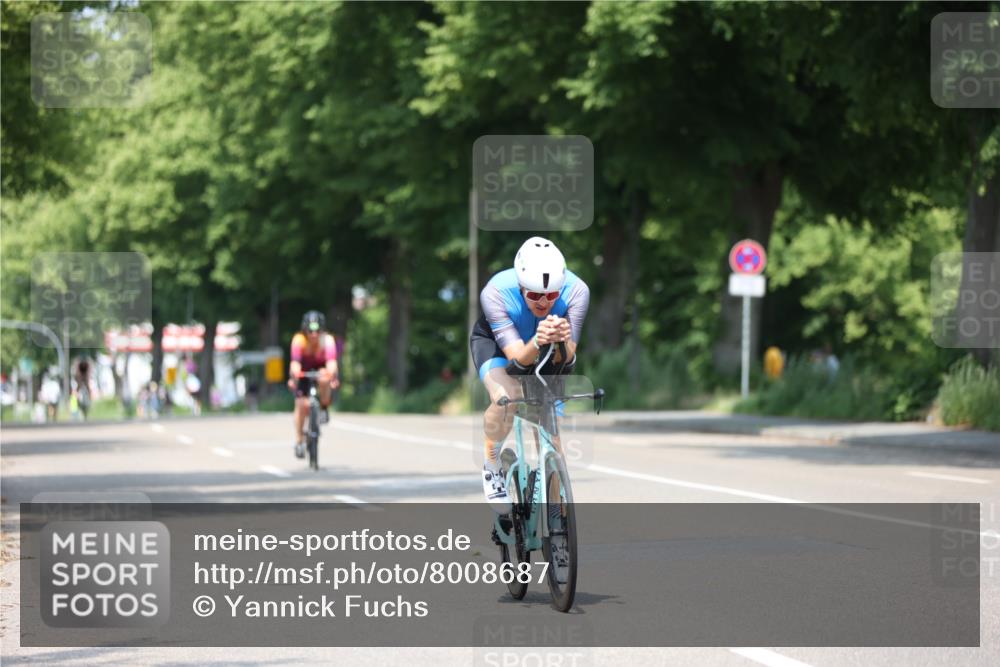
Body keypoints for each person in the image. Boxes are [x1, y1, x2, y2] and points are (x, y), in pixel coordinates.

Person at [469, 237, 590, 513]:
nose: (544, 302)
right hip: (499, 346)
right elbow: (516, 360)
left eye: (551, 296)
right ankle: (491, 463)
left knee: (551, 435)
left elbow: (568, 357)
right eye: (534, 295)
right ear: (521, 286)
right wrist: (537, 340)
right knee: (507, 395)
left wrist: (560, 342)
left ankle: (557, 514)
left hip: (546, 346)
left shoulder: (577, 291)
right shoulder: (496, 292)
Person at [287, 310, 340, 458]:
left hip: (321, 370)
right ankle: (299, 441)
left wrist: (331, 375)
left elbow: (332, 362)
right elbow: (295, 363)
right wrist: (294, 376)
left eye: (317, 330)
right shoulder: (298, 340)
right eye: (310, 330)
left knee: (324, 378)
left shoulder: (327, 340)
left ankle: (323, 408)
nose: (314, 334)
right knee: (301, 405)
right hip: (303, 372)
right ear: (305, 330)